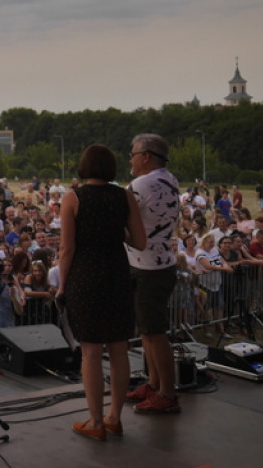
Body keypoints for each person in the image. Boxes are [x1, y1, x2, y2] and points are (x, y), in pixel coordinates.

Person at [57, 144, 145, 440]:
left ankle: (95, 422)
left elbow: (67, 249)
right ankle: (114, 418)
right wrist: (114, 229)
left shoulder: (73, 197)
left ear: (84, 166)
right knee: (119, 349)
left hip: (85, 277)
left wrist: (60, 286)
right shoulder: (125, 196)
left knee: (91, 352)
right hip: (118, 275)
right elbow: (140, 242)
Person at [125, 134, 182, 415]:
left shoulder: (140, 184)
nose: (130, 159)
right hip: (160, 263)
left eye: (133, 154)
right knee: (148, 331)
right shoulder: (169, 179)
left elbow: (124, 223)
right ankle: (154, 384)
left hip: (148, 268)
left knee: (155, 333)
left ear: (146, 156)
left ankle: (168, 394)